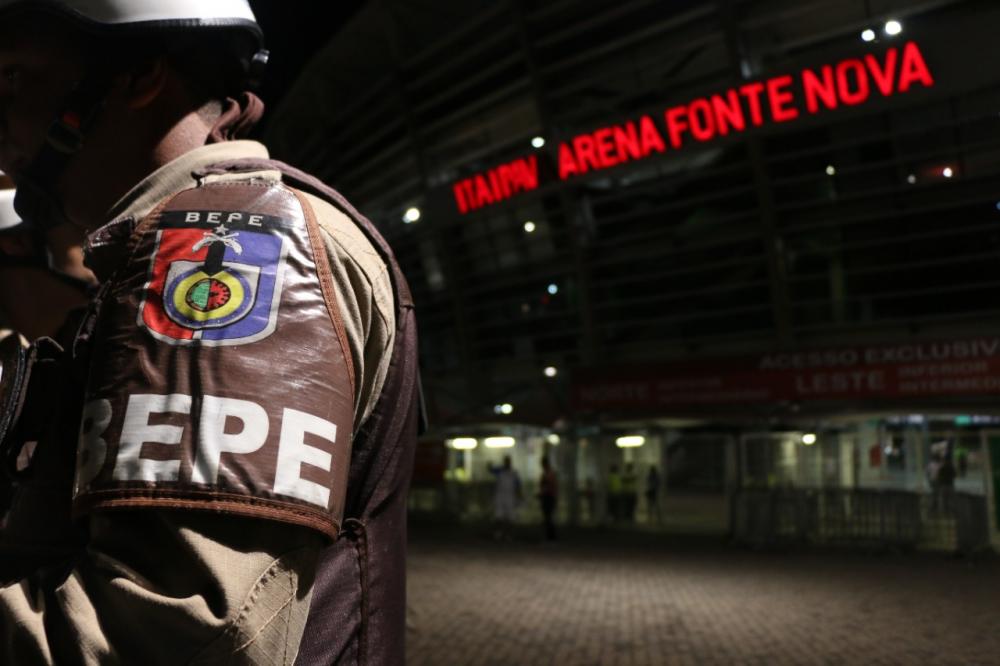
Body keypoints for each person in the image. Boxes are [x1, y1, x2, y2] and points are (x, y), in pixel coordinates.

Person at [0, 2, 420, 664]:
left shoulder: (224, 243)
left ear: (138, 74)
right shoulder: (162, 249)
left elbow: (182, 633)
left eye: (15, 80)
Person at [489, 455, 521, 540]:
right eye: (506, 461)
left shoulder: (514, 473)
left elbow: (518, 485)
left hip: (510, 496)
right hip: (500, 496)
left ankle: (509, 535)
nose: (507, 463)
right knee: (498, 516)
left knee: (510, 517)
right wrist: (490, 464)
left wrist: (519, 496)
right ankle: (498, 533)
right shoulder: (500, 471)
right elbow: (490, 470)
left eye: (508, 461)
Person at [539, 455, 558, 540]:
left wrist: (543, 492)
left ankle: (551, 536)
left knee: (549, 517)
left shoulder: (549, 473)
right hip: (547, 496)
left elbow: (549, 486)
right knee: (547, 517)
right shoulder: (546, 473)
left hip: (549, 497)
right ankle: (549, 536)